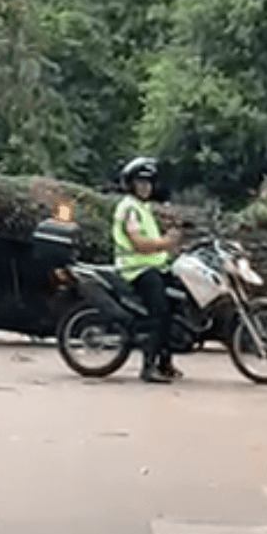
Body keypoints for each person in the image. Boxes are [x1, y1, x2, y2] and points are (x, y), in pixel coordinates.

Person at [114, 156, 180, 384]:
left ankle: (165, 361)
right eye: (140, 182)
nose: (145, 187)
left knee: (177, 304)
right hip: (137, 269)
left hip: (153, 265)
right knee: (159, 312)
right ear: (130, 184)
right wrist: (165, 243)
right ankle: (148, 367)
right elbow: (139, 243)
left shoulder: (143, 207)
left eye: (148, 182)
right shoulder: (129, 208)